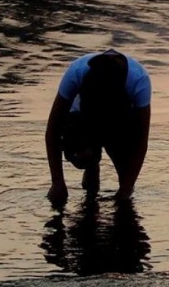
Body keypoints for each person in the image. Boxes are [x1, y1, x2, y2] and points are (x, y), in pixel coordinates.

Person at [45, 49, 151, 206]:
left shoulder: (139, 81)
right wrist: (57, 182)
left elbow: (141, 141)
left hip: (119, 117)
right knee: (85, 156)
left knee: (126, 171)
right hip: (83, 116)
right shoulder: (76, 72)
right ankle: (92, 165)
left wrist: (126, 189)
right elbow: (53, 130)